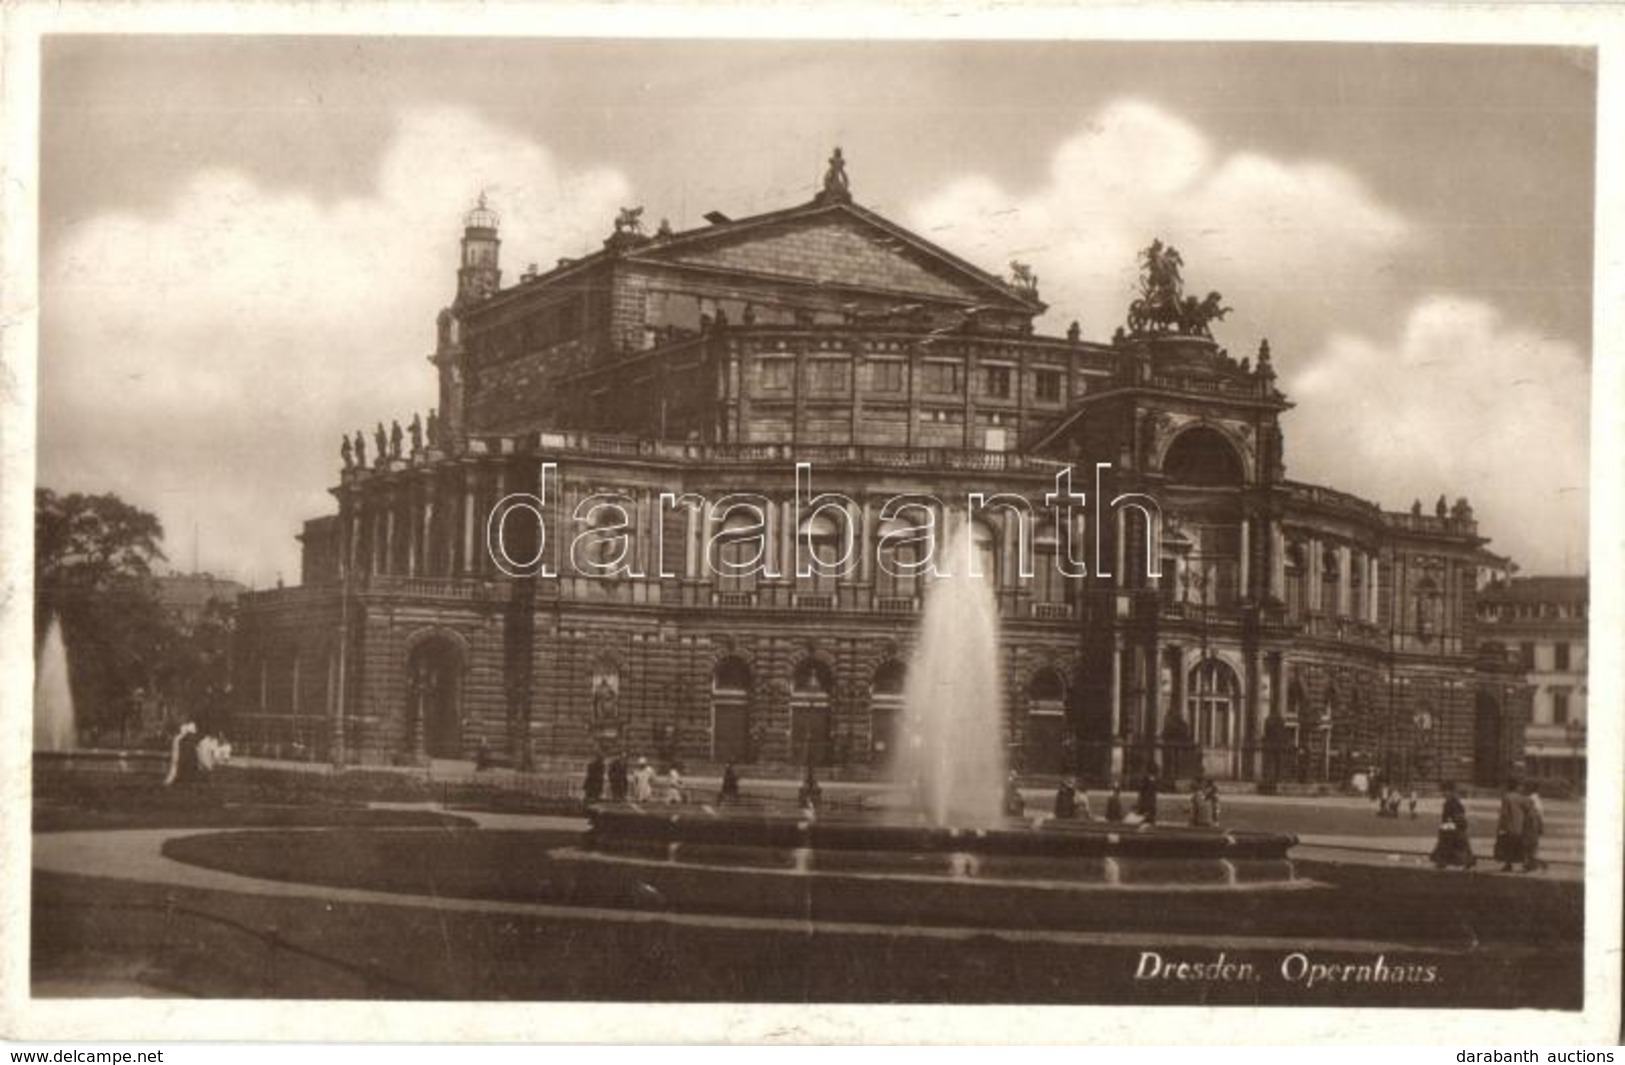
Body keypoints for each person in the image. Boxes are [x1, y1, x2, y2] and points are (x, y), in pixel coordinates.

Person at [1430, 781, 1476, 869]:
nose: (1444, 793)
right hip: (1455, 825)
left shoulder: (1450, 801)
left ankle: (1443, 861)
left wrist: (1446, 824)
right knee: (1457, 844)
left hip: (1453, 825)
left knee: (1447, 843)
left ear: (1450, 791)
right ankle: (1466, 861)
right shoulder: (1453, 800)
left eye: (1445, 791)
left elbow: (1452, 814)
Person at [1495, 779, 1528, 872]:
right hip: (1520, 825)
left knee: (1509, 846)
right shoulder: (1522, 798)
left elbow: (1504, 813)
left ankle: (1508, 864)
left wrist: (1501, 827)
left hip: (1510, 826)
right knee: (1520, 845)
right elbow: (1527, 810)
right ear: (1517, 787)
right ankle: (1524, 864)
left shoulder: (1507, 797)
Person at [1521, 781, 1546, 873]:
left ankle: (1531, 865)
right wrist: (1541, 826)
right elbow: (1540, 814)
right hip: (1535, 824)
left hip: (1530, 824)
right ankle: (1531, 865)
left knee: (1528, 846)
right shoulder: (1536, 798)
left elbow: (1533, 812)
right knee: (1532, 846)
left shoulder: (1531, 798)